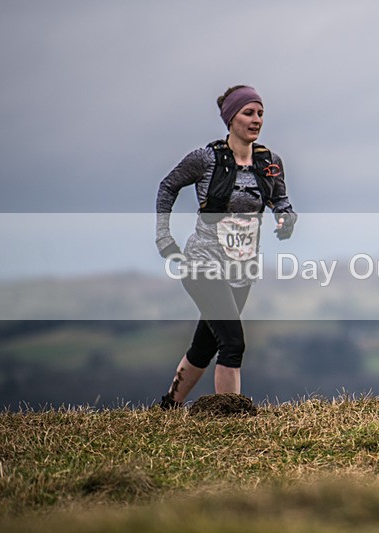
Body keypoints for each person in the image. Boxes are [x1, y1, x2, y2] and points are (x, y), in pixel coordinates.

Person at [155, 85, 297, 408]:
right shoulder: (206, 159)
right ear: (230, 118)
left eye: (260, 113)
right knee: (233, 343)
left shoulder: (270, 162)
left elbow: (281, 201)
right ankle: (229, 419)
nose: (256, 119)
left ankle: (168, 408)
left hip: (242, 268)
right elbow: (168, 186)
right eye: (248, 113)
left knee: (204, 347)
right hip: (202, 265)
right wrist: (163, 236)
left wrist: (286, 219)